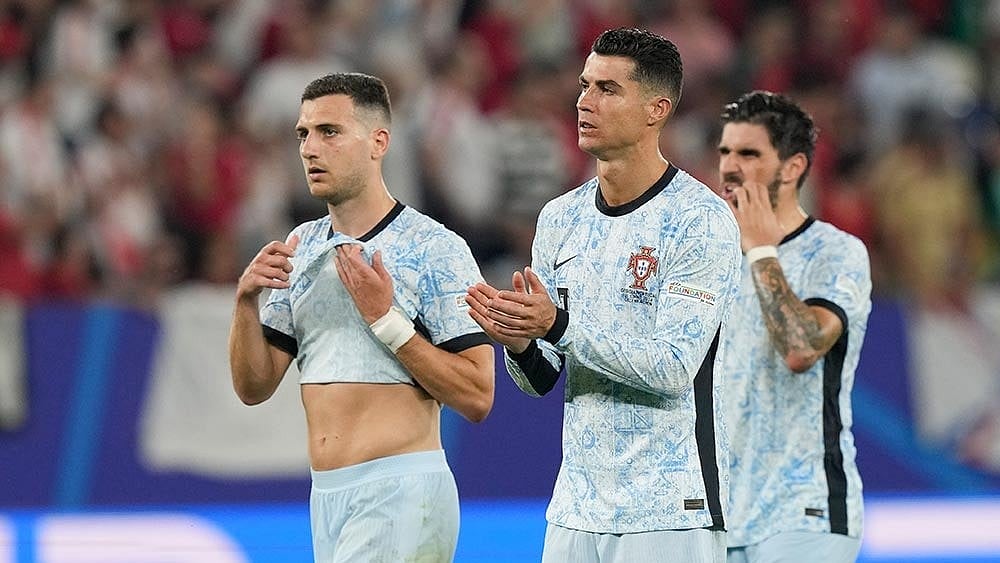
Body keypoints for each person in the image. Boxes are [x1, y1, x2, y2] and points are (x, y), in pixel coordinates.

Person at [465, 27, 742, 562]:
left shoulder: (699, 219)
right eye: (584, 85)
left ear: (656, 109)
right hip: (576, 509)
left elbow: (672, 367)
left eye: (607, 90)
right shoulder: (559, 218)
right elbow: (541, 380)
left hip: (671, 511)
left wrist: (557, 326)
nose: (583, 102)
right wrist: (520, 341)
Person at [228, 72, 495, 562]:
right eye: (303, 134)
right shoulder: (301, 247)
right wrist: (246, 303)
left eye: (329, 132)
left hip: (400, 488)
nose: (310, 148)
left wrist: (387, 321)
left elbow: (478, 395)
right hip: (326, 496)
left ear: (379, 142)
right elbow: (254, 387)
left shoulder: (435, 249)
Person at [714, 90, 871, 563]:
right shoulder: (708, 257)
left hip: (806, 511)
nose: (728, 166)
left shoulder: (836, 253)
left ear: (793, 167)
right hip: (716, 517)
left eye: (748, 153)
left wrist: (762, 251)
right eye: (724, 151)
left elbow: (801, 347)